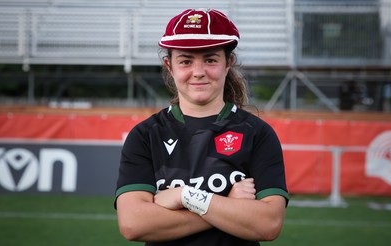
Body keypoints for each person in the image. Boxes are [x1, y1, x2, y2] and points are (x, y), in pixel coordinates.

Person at [114, 8, 289, 246]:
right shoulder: (146, 135)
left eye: (210, 60)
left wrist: (184, 196)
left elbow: (268, 224)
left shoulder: (257, 133)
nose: (198, 72)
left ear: (229, 63)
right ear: (169, 65)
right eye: (186, 61)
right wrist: (226, 203)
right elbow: (134, 224)